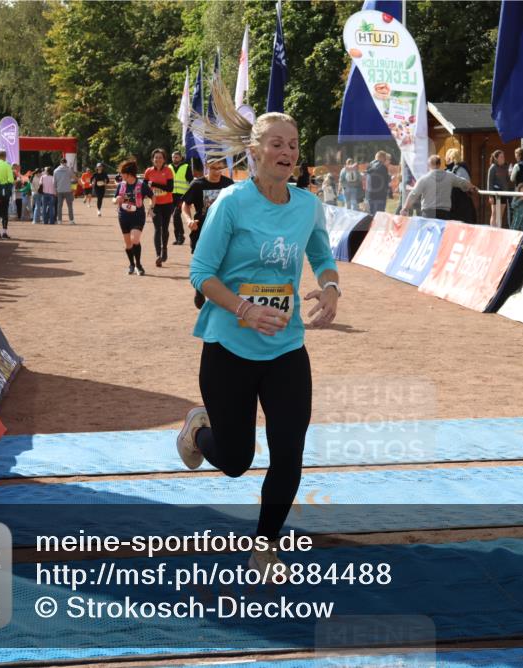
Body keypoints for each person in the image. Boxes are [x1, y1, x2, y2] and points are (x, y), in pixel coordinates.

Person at [177, 79, 341, 580]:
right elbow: (201, 274)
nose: (287, 151)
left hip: (287, 348)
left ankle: (265, 545)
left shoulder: (307, 205)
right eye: (277, 143)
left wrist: (331, 287)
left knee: (289, 449)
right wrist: (245, 310)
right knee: (235, 460)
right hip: (229, 346)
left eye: (293, 144)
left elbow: (320, 253)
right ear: (255, 152)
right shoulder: (230, 203)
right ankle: (199, 429)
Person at [182, 155, 234, 308]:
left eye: (220, 168)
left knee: (223, 263)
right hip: (201, 230)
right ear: (206, 166)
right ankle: (200, 289)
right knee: (203, 264)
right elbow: (185, 206)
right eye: (213, 168)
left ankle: (218, 294)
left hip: (223, 231)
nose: (217, 172)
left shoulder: (228, 184)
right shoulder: (198, 184)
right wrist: (189, 220)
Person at [400, 154, 478, 219]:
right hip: (444, 213)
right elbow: (462, 182)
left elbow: (414, 194)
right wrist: (472, 187)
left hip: (428, 213)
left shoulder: (424, 179)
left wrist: (405, 208)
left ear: (429, 165)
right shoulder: (449, 176)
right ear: (440, 164)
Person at [113, 158, 153, 275]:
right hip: (123, 216)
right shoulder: (121, 185)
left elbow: (152, 196)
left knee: (135, 239)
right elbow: (114, 199)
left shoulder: (141, 185)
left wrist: (151, 207)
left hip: (138, 216)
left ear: (129, 173)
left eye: (122, 173)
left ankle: (139, 265)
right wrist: (116, 200)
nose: (121, 175)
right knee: (128, 244)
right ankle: (131, 264)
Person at [144, 148, 176, 267]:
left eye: (160, 157)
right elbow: (145, 188)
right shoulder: (148, 171)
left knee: (165, 228)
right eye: (156, 157)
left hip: (167, 204)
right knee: (157, 228)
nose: (158, 159)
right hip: (154, 205)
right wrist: (148, 198)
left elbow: (170, 188)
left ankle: (165, 249)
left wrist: (155, 185)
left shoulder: (168, 171)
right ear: (153, 159)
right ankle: (158, 255)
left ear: (164, 159)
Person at [169, 150, 191, 244]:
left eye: (176, 157)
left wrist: (189, 196)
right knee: (175, 217)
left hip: (182, 196)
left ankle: (180, 237)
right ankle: (178, 237)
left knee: (176, 215)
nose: (175, 159)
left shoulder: (186, 167)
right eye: (173, 157)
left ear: (181, 158)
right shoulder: (169, 167)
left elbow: (191, 182)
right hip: (171, 195)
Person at [486, 150, 510, 227]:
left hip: (504, 193)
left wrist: (510, 174)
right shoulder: (493, 168)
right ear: (496, 158)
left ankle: (498, 229)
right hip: (495, 193)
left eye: (503, 157)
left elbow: (507, 180)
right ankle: (493, 229)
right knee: (494, 213)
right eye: (501, 157)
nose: (503, 158)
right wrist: (490, 195)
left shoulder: (505, 167)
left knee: (501, 214)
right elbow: (490, 182)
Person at [364, 151, 391, 215]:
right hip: (380, 196)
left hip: (368, 196)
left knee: (370, 217)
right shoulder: (382, 167)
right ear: (383, 158)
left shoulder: (369, 165)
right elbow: (386, 180)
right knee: (378, 218)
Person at [54, 158, 76, 224]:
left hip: (59, 190)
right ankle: (71, 220)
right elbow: (74, 178)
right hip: (68, 190)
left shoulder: (55, 171)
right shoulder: (68, 170)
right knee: (70, 206)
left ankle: (59, 220)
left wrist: (55, 190)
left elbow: (54, 182)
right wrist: (72, 171)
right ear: (65, 163)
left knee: (59, 206)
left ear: (60, 163)